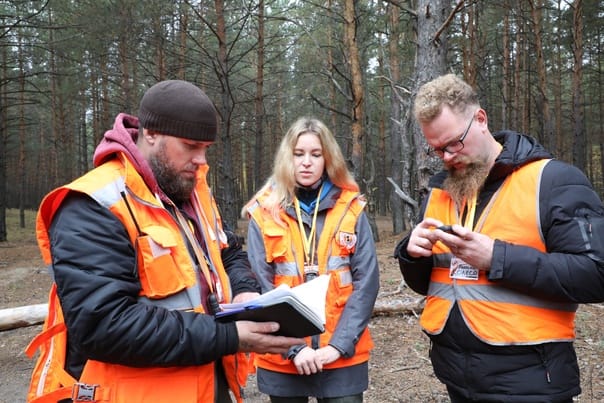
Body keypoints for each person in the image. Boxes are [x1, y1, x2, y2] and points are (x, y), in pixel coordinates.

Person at [25, 80, 304, 403]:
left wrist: (244, 290)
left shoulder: (193, 190)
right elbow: (102, 326)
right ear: (151, 134)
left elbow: (228, 252)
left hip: (206, 385)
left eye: (206, 148)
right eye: (190, 145)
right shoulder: (94, 204)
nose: (201, 161)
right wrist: (228, 336)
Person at [395, 73, 604, 403]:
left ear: (480, 119)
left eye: (454, 143)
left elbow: (596, 275)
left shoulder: (553, 181)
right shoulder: (441, 192)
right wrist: (411, 254)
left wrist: (497, 258)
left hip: (530, 381)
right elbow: (433, 285)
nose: (448, 157)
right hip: (456, 377)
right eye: (437, 150)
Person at [241, 117, 380, 403]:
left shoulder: (351, 209)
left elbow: (367, 284)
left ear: (327, 158)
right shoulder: (264, 212)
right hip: (283, 356)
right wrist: (295, 349)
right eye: (298, 154)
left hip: (341, 356)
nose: (306, 162)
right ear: (286, 158)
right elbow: (260, 287)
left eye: (315, 154)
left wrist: (339, 346)